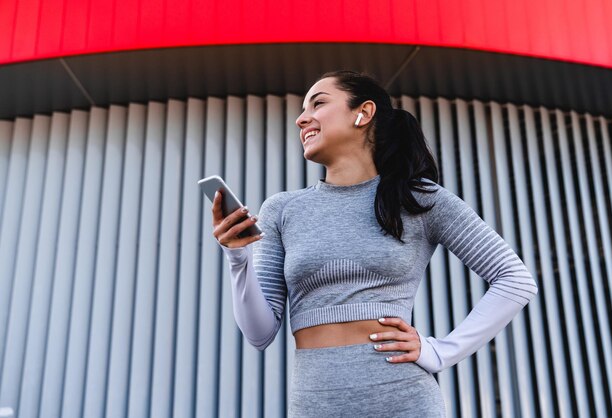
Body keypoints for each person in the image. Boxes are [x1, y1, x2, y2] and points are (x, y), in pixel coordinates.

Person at [211, 70, 538, 417]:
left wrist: (441, 351)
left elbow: (515, 279)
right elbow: (259, 334)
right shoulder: (283, 209)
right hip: (314, 404)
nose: (301, 118)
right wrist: (238, 258)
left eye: (318, 103)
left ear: (363, 113)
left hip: (404, 401)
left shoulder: (419, 199)